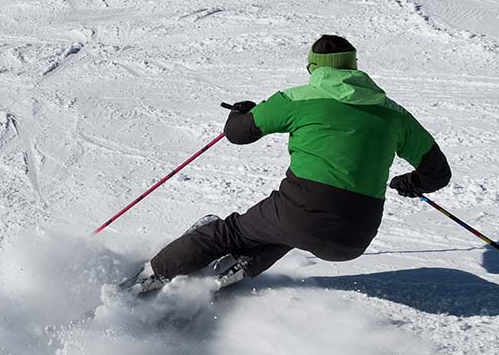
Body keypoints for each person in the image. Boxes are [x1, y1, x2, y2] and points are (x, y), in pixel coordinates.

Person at [129, 35, 452, 295]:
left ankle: (147, 279)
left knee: (227, 231)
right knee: (283, 229)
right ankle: (238, 269)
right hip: (357, 235)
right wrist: (409, 184)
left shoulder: (298, 99)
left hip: (302, 211)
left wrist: (239, 113)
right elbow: (438, 174)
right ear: (354, 67)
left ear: (313, 67)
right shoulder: (394, 113)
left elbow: (238, 135)